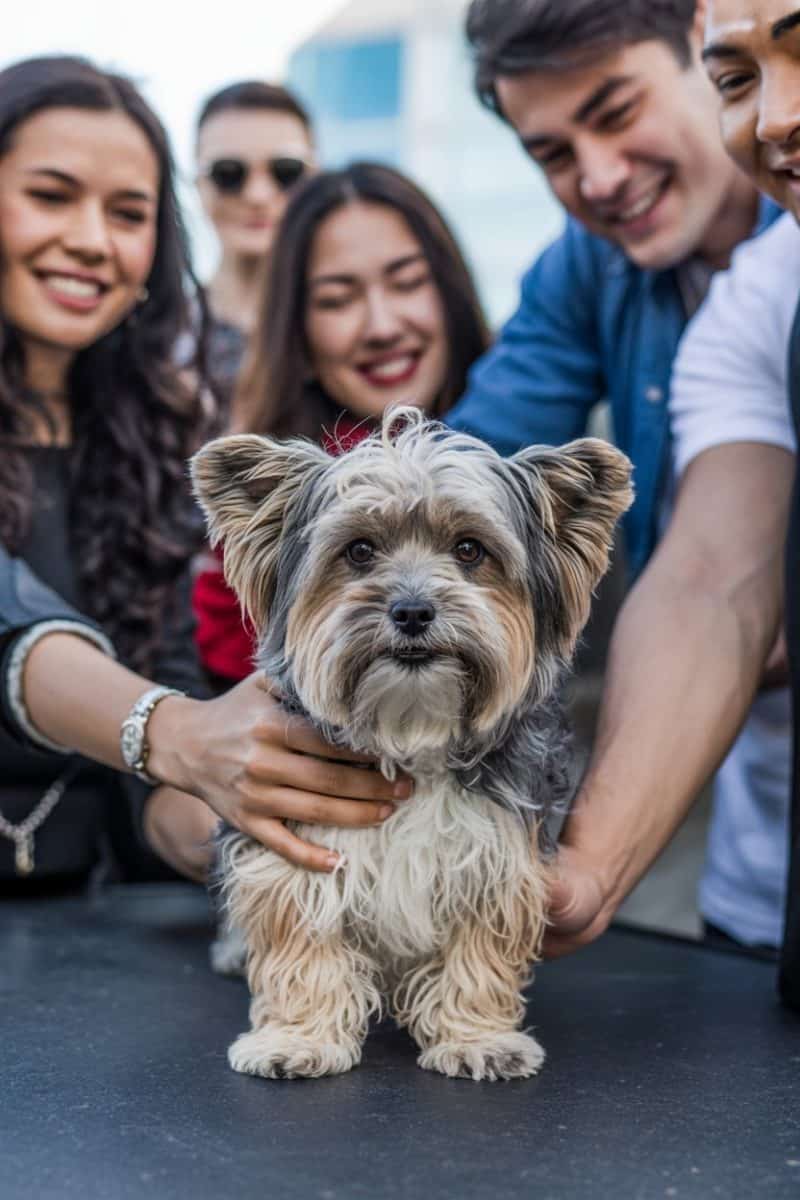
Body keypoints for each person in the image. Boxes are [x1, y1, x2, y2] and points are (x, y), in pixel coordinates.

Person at [0, 57, 405, 889]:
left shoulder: (157, 438)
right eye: (50, 196)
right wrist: (175, 732)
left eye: (127, 213)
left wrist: (265, 817)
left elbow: (173, 759)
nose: (90, 239)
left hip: (86, 934)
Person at [539, 0, 800, 1008]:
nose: (773, 115)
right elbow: (709, 580)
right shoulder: (759, 298)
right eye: (734, 79)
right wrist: (587, 867)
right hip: (760, 899)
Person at [193, 162, 490, 687]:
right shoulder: (268, 499)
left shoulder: (522, 442)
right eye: (337, 300)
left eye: (408, 283)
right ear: (297, 337)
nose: (381, 325)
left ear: (451, 296)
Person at [195, 81, 315, 403]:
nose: (258, 195)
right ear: (197, 186)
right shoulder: (153, 336)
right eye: (229, 173)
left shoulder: (346, 327)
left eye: (285, 171)